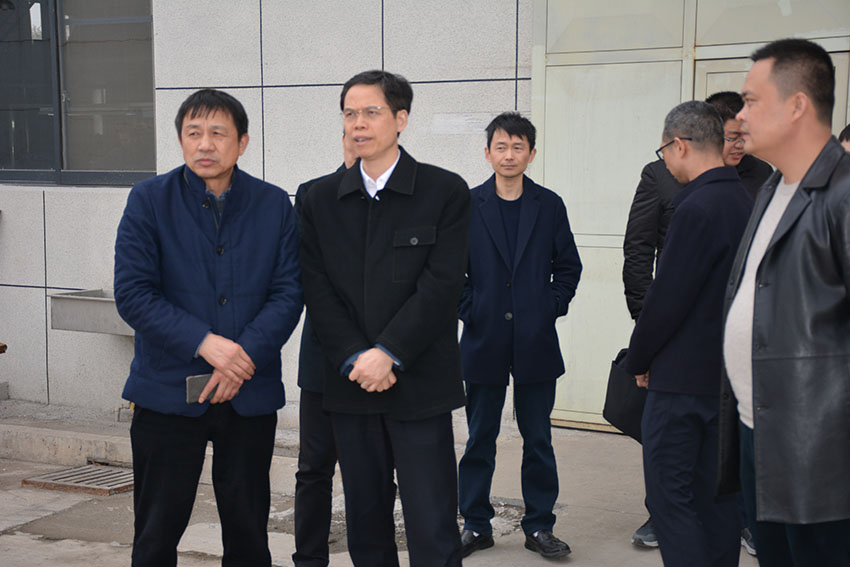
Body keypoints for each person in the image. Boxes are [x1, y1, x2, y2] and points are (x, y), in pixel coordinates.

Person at [114, 89, 303, 567]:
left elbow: (288, 292)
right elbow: (133, 293)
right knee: (155, 534)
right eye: (193, 133)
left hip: (248, 392)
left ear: (242, 142)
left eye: (218, 133)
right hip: (167, 392)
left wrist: (241, 359)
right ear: (180, 139)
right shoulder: (149, 200)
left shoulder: (273, 204)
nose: (205, 144)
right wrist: (206, 344)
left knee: (248, 534)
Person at [299, 70, 470, 567]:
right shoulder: (318, 199)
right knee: (367, 525)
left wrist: (389, 352)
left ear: (401, 119)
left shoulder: (444, 191)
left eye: (371, 112)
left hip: (420, 385)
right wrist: (357, 356)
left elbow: (442, 285)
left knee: (433, 523)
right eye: (350, 113)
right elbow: (317, 289)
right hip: (351, 384)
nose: (358, 123)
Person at [718, 38, 850, 566]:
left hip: (822, 457)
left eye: (751, 101)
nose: (740, 116)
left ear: (797, 105)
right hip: (761, 432)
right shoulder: (773, 187)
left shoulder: (842, 194)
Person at [621, 91, 771, 551]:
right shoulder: (743, 201)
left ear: (680, 145)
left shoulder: (696, 206)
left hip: (681, 382)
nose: (665, 162)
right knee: (718, 500)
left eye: (664, 151)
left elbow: (668, 298)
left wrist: (639, 359)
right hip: (726, 378)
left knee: (671, 498)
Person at [457, 112, 581, 559]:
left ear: (531, 153)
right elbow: (450, 272)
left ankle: (540, 526)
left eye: (518, 147)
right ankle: (475, 524)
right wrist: (472, 309)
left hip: (535, 341)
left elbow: (568, 266)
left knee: (539, 438)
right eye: (501, 147)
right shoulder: (468, 205)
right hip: (484, 338)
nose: (509, 155)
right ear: (487, 152)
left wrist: (548, 307)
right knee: (479, 438)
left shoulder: (549, 205)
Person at [291, 132, 357, 567]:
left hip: (375, 362)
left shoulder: (399, 201)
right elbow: (305, 276)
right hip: (322, 357)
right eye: (352, 134)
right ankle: (309, 559)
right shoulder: (313, 195)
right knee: (314, 468)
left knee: (369, 473)